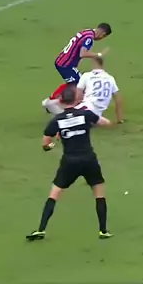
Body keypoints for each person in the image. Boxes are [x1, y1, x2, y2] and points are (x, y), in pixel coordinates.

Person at [27, 84, 113, 242]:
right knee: (99, 192)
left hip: (69, 162)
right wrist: (88, 125)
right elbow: (106, 123)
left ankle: (41, 229)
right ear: (76, 99)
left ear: (60, 101)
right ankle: (103, 230)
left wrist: (52, 145)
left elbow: (46, 144)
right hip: (88, 159)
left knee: (54, 194)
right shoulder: (85, 114)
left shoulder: (57, 120)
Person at [42, 23, 112, 115]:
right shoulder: (89, 38)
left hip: (62, 61)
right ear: (103, 34)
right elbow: (82, 53)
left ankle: (51, 101)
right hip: (66, 64)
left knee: (73, 83)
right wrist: (99, 55)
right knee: (79, 84)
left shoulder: (86, 31)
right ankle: (58, 104)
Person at [76, 58, 124, 123]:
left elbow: (78, 95)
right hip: (97, 114)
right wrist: (119, 118)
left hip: (86, 109)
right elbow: (118, 99)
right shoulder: (110, 78)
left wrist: (74, 107)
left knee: (64, 110)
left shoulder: (86, 75)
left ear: (93, 63)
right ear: (102, 64)